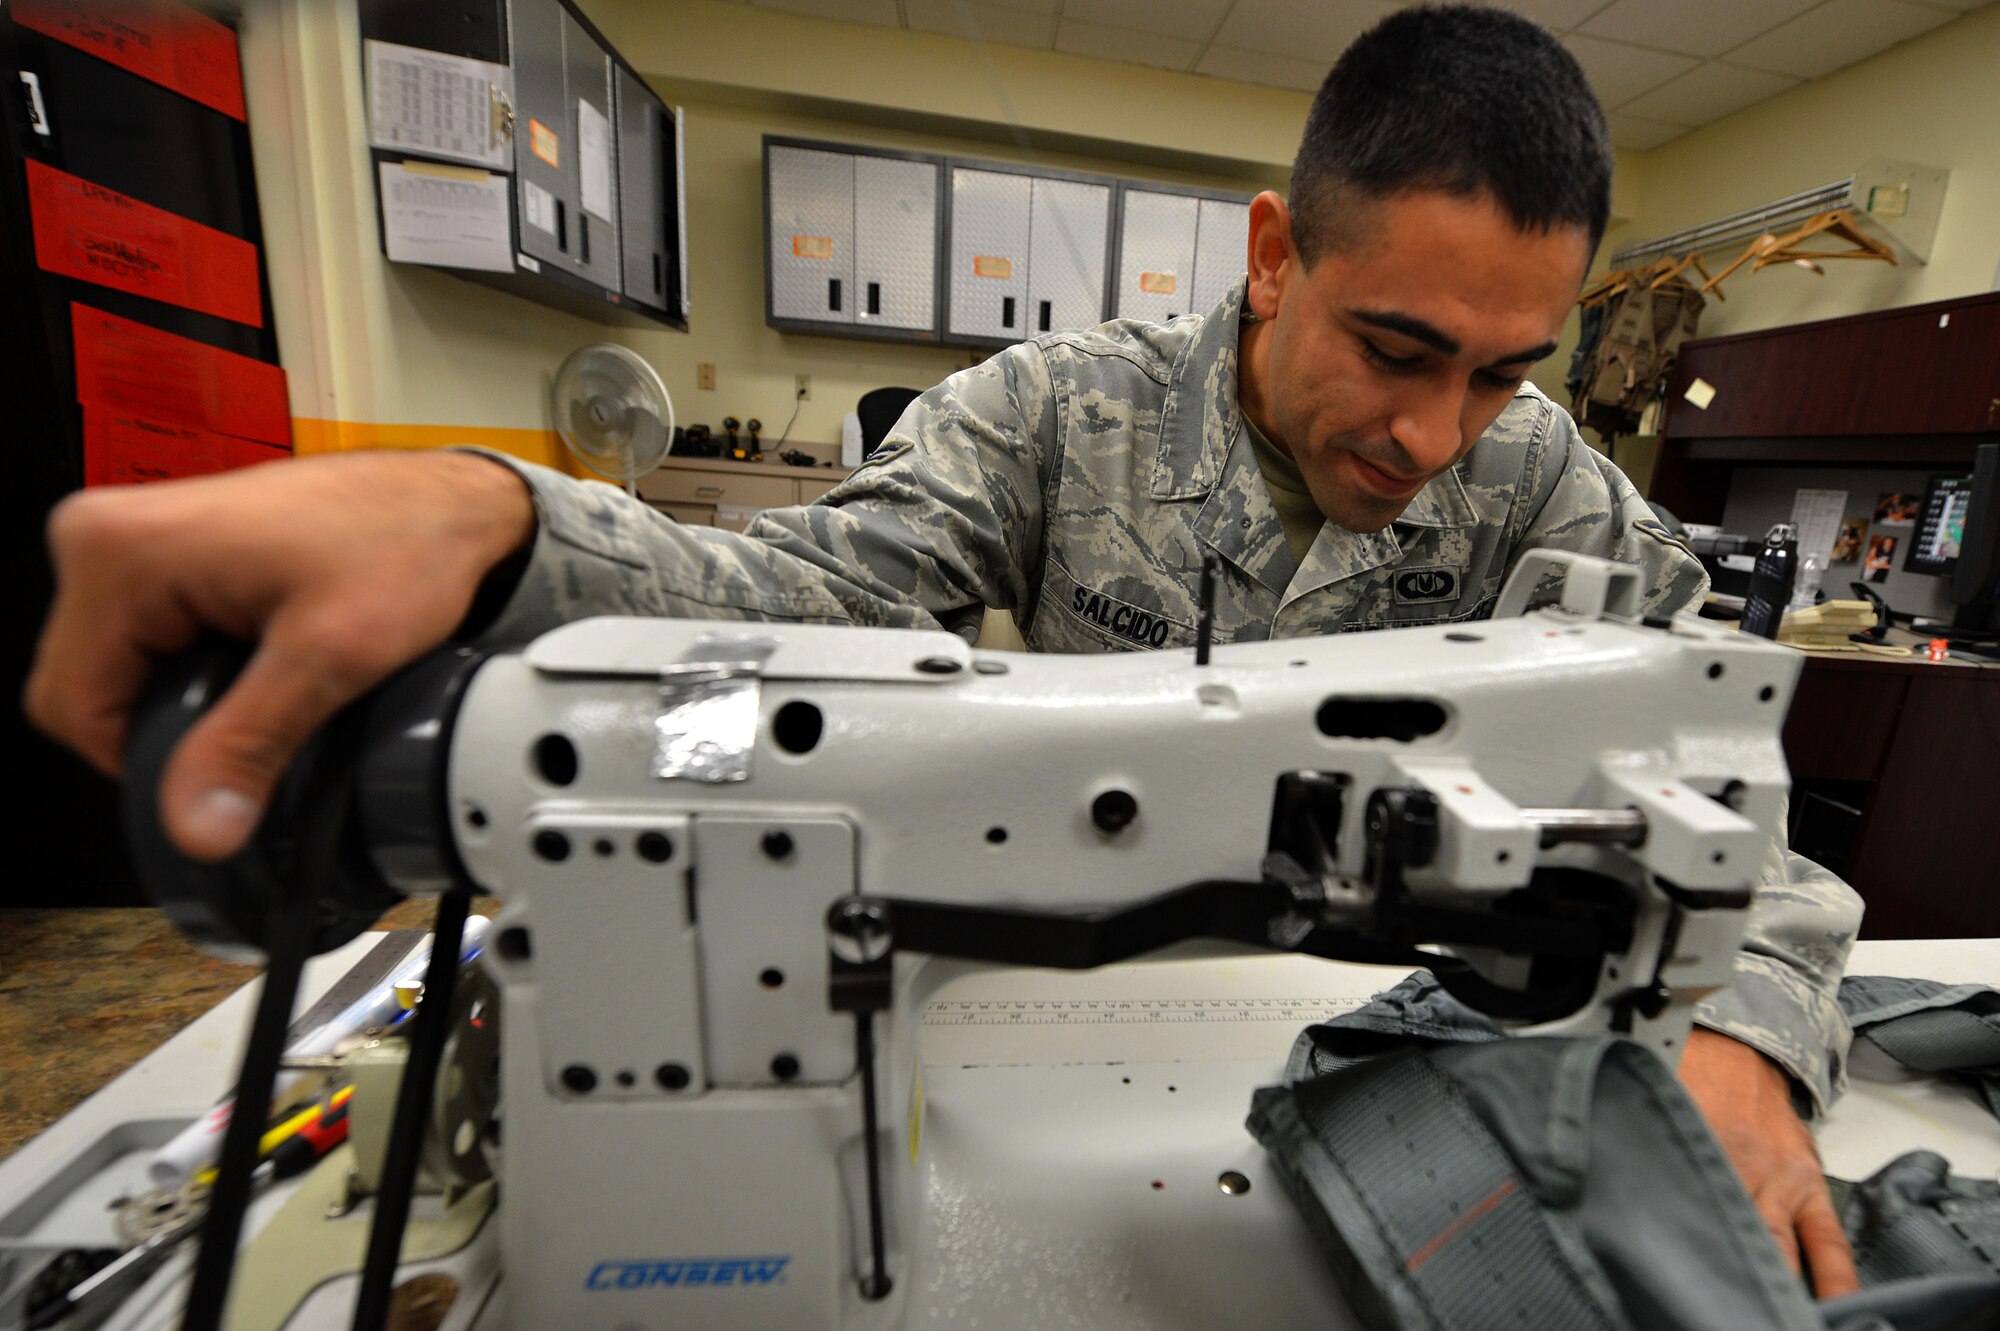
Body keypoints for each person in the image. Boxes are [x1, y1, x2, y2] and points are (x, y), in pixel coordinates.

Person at [26, 3, 1861, 1297]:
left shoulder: (1549, 489)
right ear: (1281, 253)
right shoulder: (1055, 413)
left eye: (1503, 371)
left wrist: (1755, 1052)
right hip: (1039, 1015)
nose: (1442, 435)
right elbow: (817, 600)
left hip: (1356, 1038)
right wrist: (504, 519)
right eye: (1398, 350)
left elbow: (1734, 797)